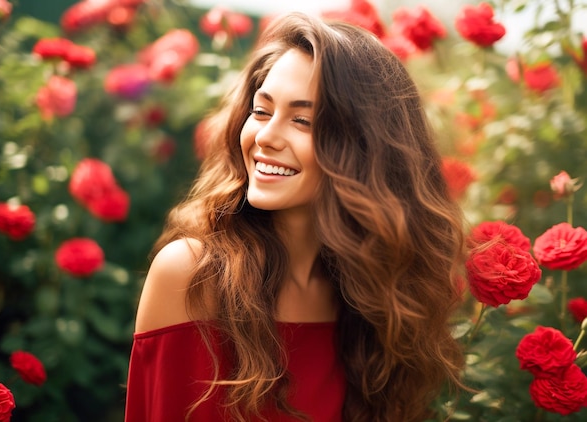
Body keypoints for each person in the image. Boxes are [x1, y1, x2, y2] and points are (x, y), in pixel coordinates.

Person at [125, 11, 466, 422]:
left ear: (364, 149)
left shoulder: (378, 298)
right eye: (262, 111)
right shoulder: (191, 275)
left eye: (302, 120)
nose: (266, 137)